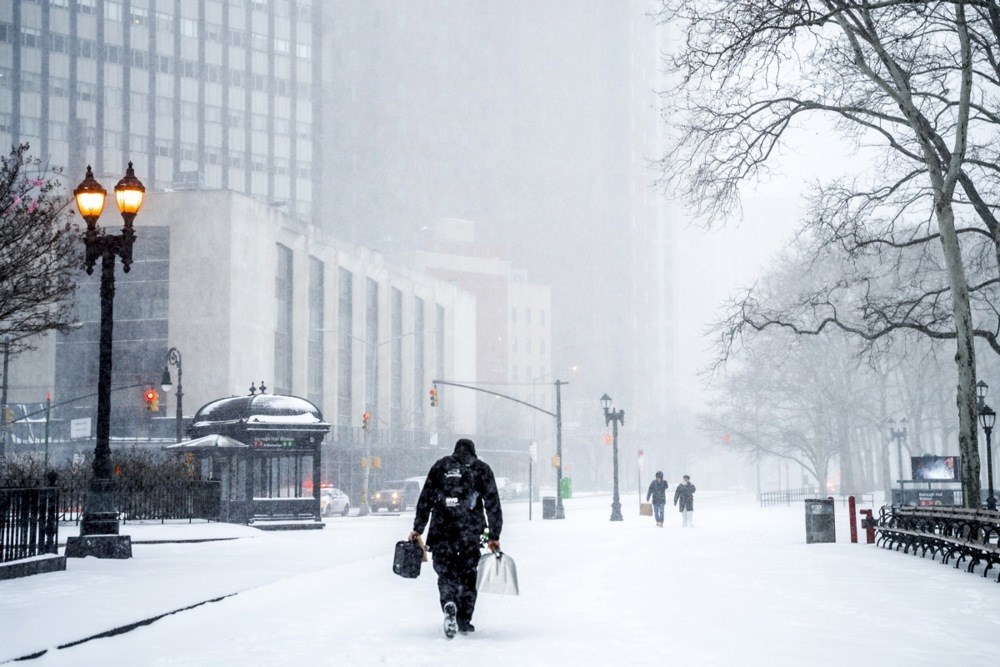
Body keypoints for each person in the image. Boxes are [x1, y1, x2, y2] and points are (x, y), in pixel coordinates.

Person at [408, 438, 503, 639]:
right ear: (473, 452)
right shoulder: (481, 469)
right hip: (470, 532)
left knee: (446, 574)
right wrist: (494, 535)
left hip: (442, 531)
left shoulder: (440, 467)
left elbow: (426, 498)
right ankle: (464, 620)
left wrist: (418, 528)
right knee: (468, 575)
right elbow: (492, 503)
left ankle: (448, 602)